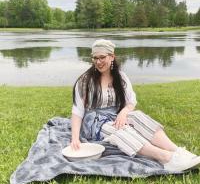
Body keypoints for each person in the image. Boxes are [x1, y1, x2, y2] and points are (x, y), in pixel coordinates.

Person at [70, 39, 200, 172]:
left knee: (138, 116)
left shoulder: (121, 77)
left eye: (102, 57)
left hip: (114, 114)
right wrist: (75, 138)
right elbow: (77, 111)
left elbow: (131, 101)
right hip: (95, 123)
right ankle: (168, 159)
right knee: (121, 130)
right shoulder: (85, 81)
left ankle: (178, 152)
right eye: (95, 58)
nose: (98, 62)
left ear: (112, 56)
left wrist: (124, 111)